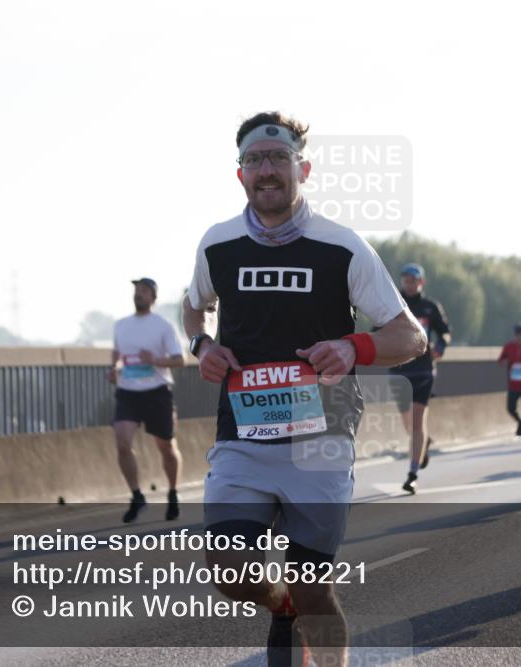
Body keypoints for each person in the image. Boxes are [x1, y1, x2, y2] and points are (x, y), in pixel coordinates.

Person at [182, 111, 425, 667]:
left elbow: (410, 336)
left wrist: (352, 348)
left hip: (321, 440)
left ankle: (303, 610)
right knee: (229, 570)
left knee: (317, 592)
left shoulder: (341, 246)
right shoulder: (217, 245)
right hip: (242, 437)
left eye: (278, 158)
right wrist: (201, 346)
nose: (266, 169)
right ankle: (280, 605)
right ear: (239, 173)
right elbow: (193, 307)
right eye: (254, 160)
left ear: (303, 168)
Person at [109, 277, 186, 523]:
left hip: (156, 391)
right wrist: (114, 368)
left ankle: (173, 493)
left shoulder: (163, 325)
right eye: (136, 290)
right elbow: (117, 353)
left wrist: (153, 360)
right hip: (128, 391)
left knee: (166, 447)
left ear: (153, 297)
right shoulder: (121, 325)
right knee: (122, 442)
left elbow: (179, 359)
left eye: (143, 291)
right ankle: (136, 495)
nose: (138, 294)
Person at [384, 262, 452, 494]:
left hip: (422, 370)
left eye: (413, 281)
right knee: (408, 424)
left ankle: (412, 474)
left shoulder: (430, 307)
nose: (409, 285)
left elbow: (445, 331)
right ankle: (424, 443)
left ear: (421, 282)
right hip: (399, 370)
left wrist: (441, 344)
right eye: (405, 281)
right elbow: (378, 331)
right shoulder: (393, 304)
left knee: (416, 420)